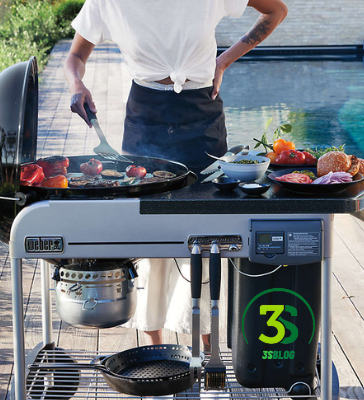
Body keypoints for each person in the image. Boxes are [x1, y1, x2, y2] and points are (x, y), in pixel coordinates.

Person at [64, 0, 288, 351]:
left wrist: (224, 61)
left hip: (201, 115)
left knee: (206, 235)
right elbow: (75, 56)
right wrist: (76, 84)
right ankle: (153, 346)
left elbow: (276, 10)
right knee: (150, 234)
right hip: (146, 115)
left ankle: (208, 350)